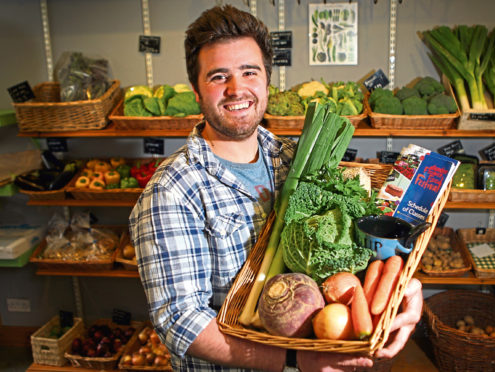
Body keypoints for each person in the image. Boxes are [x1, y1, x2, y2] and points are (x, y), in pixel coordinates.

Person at [129, 5, 423, 372]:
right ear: (196, 90)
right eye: (219, 77)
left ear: (267, 80)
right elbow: (181, 322)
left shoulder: (294, 160)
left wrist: (401, 289)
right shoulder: (172, 191)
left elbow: (353, 252)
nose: (237, 89)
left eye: (249, 72)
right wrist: (295, 360)